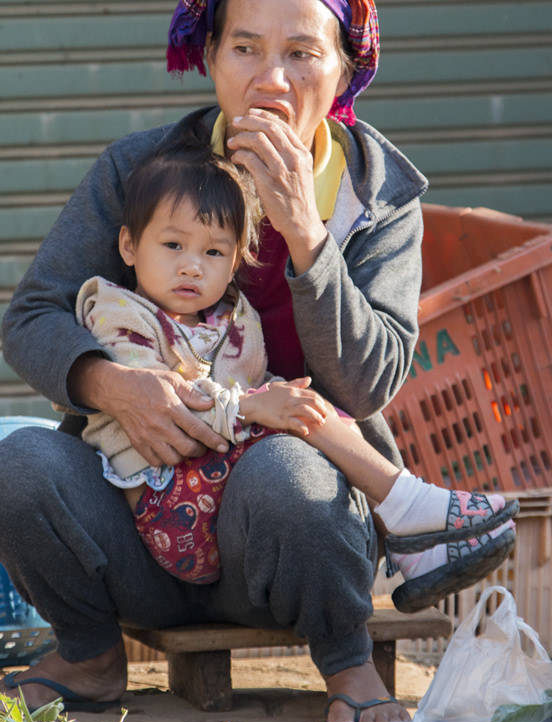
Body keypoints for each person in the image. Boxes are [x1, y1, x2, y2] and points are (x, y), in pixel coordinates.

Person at [0, 0, 516, 722]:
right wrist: (114, 386)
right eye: (246, 49)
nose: (271, 79)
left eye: (302, 53)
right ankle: (89, 656)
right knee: (17, 464)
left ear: (343, 72)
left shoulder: (379, 199)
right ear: (211, 57)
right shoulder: (142, 170)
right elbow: (32, 316)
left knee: (289, 473)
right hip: (137, 515)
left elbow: (369, 383)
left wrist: (306, 234)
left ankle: (347, 662)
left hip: (280, 547)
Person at [78, 143, 517, 597]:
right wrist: (261, 406)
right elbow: (164, 400)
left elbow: (251, 386)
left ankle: (412, 544)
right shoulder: (117, 313)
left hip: (230, 508)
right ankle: (407, 505)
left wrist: (281, 400)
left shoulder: (233, 317)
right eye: (172, 245)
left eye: (213, 252)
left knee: (308, 406)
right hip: (164, 504)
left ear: (234, 263)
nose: (191, 265)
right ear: (129, 245)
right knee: (292, 414)